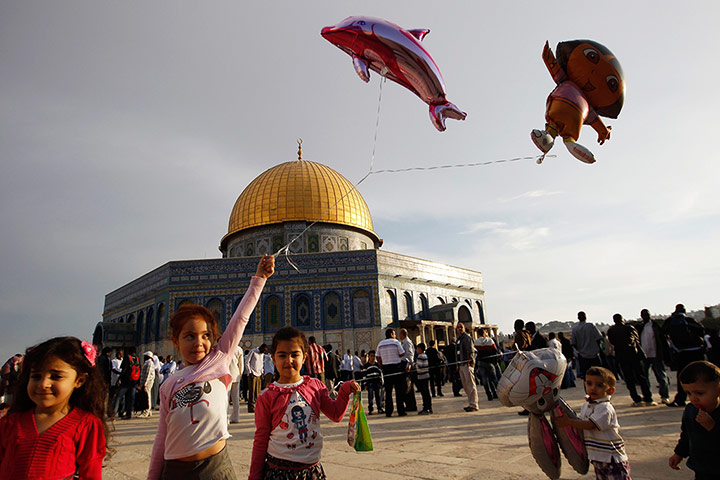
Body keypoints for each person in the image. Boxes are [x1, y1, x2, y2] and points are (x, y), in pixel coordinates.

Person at [147, 254, 274, 480]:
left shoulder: (219, 359)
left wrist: (260, 278)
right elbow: (162, 437)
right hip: (176, 471)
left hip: (215, 468)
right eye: (189, 336)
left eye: (206, 336)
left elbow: (241, 317)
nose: (199, 343)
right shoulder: (168, 385)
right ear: (175, 341)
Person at [249, 326, 360, 479]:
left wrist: (345, 390)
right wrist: (254, 475)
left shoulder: (314, 387)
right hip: (279, 471)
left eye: (295, 355)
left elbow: (335, 414)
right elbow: (261, 438)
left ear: (304, 357)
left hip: (311, 470)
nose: (289, 360)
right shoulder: (267, 396)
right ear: (273, 359)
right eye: (282, 355)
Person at [0, 337, 108, 479]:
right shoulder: (10, 423)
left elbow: (91, 473)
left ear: (79, 381)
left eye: (56, 376)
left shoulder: (86, 425)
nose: (43, 384)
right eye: (36, 376)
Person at [554, 366, 631, 480]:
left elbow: (590, 425)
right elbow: (579, 422)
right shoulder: (587, 405)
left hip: (612, 459)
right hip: (598, 459)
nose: (593, 388)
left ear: (610, 390)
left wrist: (568, 422)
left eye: (599, 385)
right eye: (589, 384)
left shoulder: (605, 408)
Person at [668, 361, 720, 478]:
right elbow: (687, 434)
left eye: (699, 393)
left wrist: (713, 427)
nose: (693, 398)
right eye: (688, 393)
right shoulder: (691, 411)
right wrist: (679, 454)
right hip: (700, 468)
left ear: (718, 390)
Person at [607, 314, 656, 406]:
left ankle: (636, 399)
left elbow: (612, 342)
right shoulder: (629, 328)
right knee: (641, 377)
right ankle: (648, 397)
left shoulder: (611, 331)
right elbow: (637, 340)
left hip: (622, 356)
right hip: (634, 355)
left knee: (629, 379)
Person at [664, 304, 706, 408]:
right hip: (696, 351)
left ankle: (680, 399)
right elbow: (701, 330)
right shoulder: (690, 320)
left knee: (682, 376)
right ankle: (704, 396)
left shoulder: (671, 321)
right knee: (699, 374)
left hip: (681, 352)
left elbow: (664, 332)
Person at [638, 309, 671, 404]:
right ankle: (648, 396)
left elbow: (662, 341)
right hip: (644, 356)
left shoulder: (655, 326)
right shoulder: (640, 327)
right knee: (645, 377)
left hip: (656, 354)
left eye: (647, 314)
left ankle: (664, 396)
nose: (645, 316)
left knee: (661, 376)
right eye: (643, 315)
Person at [376, 328, 406, 417]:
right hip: (396, 367)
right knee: (398, 391)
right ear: (392, 334)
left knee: (388, 391)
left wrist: (381, 366)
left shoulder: (380, 344)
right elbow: (402, 353)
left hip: (386, 368)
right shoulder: (396, 342)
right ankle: (401, 411)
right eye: (394, 334)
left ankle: (388, 411)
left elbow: (378, 356)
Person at [571, 311, 603, 379]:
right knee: (599, 374)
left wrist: (579, 350)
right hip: (594, 354)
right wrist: (597, 348)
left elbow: (573, 343)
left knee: (586, 376)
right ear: (585, 317)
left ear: (578, 318)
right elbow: (599, 338)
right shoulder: (590, 326)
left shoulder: (575, 329)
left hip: (583, 355)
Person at [455, 323, 479, 412]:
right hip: (461, 364)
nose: (459, 329)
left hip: (467, 364)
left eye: (461, 327)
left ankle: (474, 405)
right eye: (458, 327)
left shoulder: (467, 338)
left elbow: (471, 351)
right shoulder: (459, 339)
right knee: (466, 385)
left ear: (464, 328)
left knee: (470, 384)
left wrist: (469, 361)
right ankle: (471, 403)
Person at [474, 329, 499, 401]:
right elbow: (495, 351)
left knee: (485, 379)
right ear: (484, 333)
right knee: (494, 378)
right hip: (490, 362)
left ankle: (489, 394)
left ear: (478, 334)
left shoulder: (476, 342)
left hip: (481, 362)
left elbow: (475, 353)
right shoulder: (490, 341)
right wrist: (495, 362)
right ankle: (498, 392)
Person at [118, 347, 141, 419]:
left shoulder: (127, 357)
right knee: (131, 398)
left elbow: (123, 369)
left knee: (119, 397)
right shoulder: (137, 359)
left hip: (126, 382)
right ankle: (128, 414)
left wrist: (119, 379)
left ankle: (114, 413)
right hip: (134, 382)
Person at [398, 328, 417, 412]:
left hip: (407, 366)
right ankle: (409, 404)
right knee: (406, 387)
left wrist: (408, 366)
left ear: (403, 334)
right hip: (406, 365)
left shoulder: (406, 342)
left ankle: (411, 405)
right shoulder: (404, 342)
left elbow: (410, 355)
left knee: (408, 387)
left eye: (400, 334)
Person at [361, 350, 384, 415]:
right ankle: (370, 409)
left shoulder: (377, 365)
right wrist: (365, 384)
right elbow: (364, 375)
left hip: (376, 382)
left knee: (378, 396)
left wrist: (381, 382)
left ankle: (379, 408)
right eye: (371, 356)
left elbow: (380, 374)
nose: (373, 357)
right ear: (369, 357)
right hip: (369, 383)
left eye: (374, 356)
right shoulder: (366, 366)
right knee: (370, 396)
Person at [247, 344, 267, 413]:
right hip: (252, 374)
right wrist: (249, 372)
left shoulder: (261, 354)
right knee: (252, 391)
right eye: (263, 350)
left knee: (258, 392)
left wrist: (262, 372)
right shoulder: (253, 351)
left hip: (259, 374)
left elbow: (261, 364)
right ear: (261, 348)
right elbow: (247, 362)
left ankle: (258, 406)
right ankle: (251, 407)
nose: (263, 352)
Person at [415, 343, 432, 415]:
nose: (417, 350)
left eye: (418, 348)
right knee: (426, 392)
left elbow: (419, 365)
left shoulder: (421, 356)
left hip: (423, 376)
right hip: (425, 375)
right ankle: (428, 407)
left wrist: (413, 364)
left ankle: (426, 408)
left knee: (425, 393)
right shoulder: (424, 355)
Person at [138, 351, 156, 417]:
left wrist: (145, 384)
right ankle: (148, 411)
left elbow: (148, 374)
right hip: (145, 382)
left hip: (148, 382)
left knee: (147, 396)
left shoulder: (149, 363)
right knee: (146, 396)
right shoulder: (147, 363)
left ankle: (146, 411)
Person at [229, 346, 243, 424]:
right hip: (235, 374)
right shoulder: (238, 349)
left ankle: (226, 417)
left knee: (226, 398)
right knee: (235, 398)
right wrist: (240, 375)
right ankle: (236, 417)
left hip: (226, 375)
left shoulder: (225, 346)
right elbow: (241, 365)